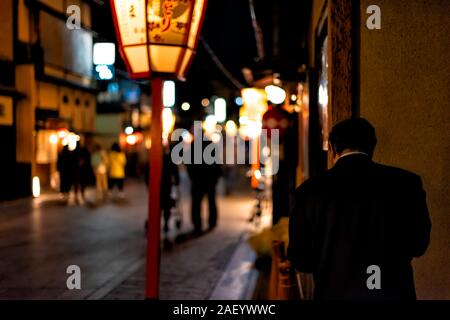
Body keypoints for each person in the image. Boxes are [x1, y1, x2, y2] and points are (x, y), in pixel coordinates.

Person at [287, 118, 431, 300]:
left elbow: (301, 259)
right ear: (372, 147)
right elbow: (418, 244)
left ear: (331, 148)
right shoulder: (406, 183)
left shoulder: (309, 191)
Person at [186, 137, 222, 235]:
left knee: (197, 203)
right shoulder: (209, 144)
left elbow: (188, 162)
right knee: (211, 201)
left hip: (199, 180)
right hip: (209, 179)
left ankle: (198, 225)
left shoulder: (194, 146)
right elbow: (216, 162)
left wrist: (192, 176)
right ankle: (212, 222)